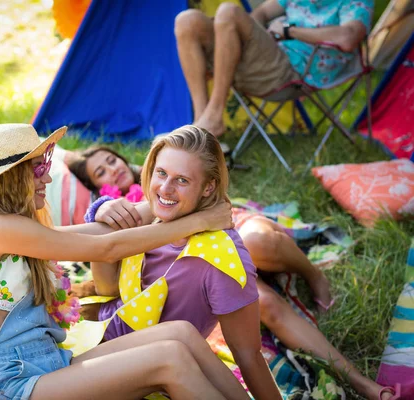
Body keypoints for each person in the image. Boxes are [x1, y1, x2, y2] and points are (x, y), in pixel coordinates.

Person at [84, 126, 398, 400]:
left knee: (258, 261)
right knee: (261, 296)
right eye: (161, 173)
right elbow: (108, 279)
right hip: (122, 330)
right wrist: (101, 209)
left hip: (226, 231)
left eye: (180, 179)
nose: (165, 186)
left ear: (208, 186)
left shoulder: (220, 253)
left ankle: (313, 276)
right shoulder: (149, 211)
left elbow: (248, 355)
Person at [0, 123, 247, 400]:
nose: (47, 176)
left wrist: (115, 207)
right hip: (11, 388)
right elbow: (106, 248)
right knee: (171, 359)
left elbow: (98, 232)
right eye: (38, 168)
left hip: (42, 365)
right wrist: (201, 220)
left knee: (180, 333)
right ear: (8, 177)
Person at [68, 141, 332, 311]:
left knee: (256, 243)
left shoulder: (158, 173)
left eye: (111, 160)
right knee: (262, 303)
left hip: (222, 222)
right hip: (184, 252)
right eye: (100, 172)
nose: (111, 170)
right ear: (95, 187)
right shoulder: (116, 208)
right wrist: (101, 207)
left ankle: (314, 275)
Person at [174, 0, 372, 139]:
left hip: (293, 73)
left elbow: (348, 38)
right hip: (261, 63)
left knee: (229, 11)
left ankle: (214, 116)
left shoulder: (353, 2)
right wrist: (255, 36)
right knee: (187, 21)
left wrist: (289, 30)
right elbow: (261, 13)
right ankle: (201, 123)